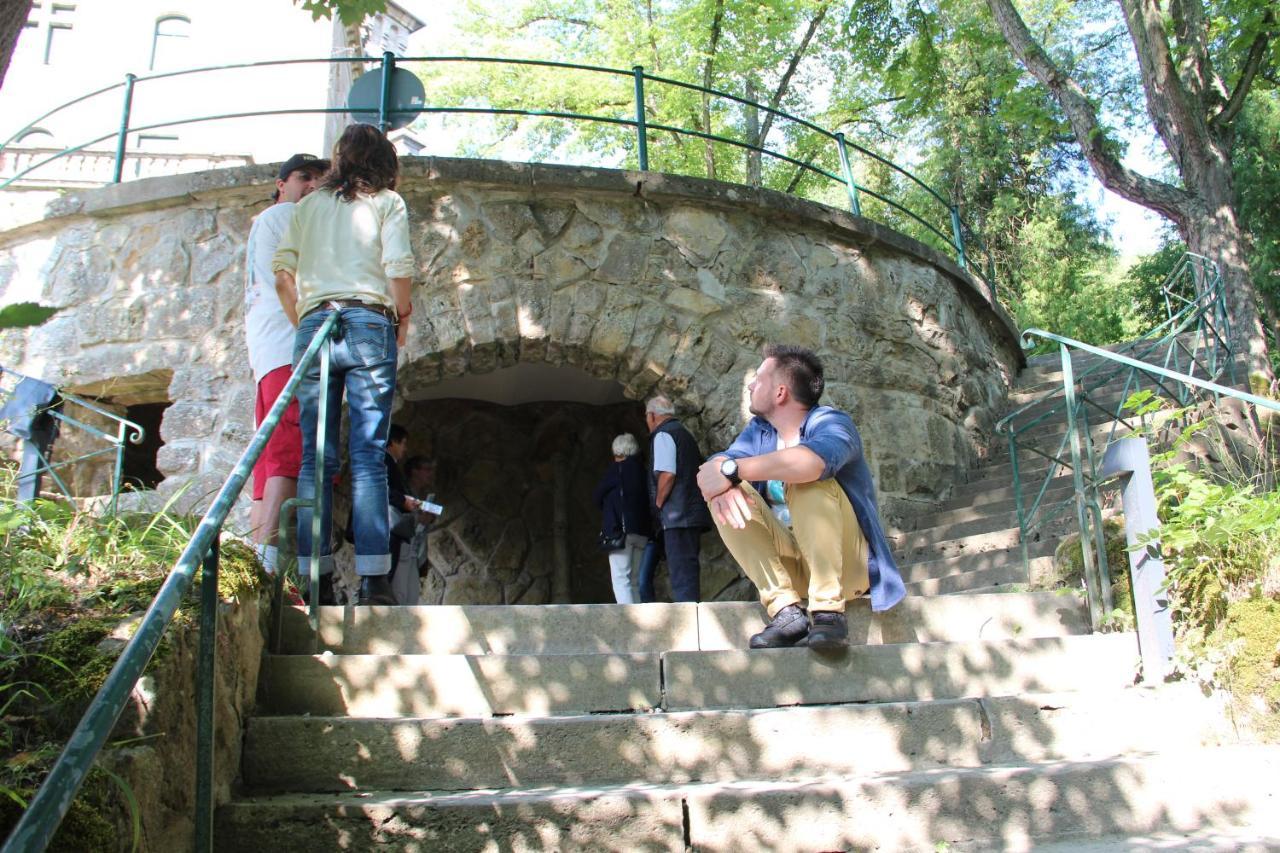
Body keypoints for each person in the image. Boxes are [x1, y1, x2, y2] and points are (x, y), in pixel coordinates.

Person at [273, 124, 415, 607]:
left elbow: (282, 276)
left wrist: (303, 323)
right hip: (368, 319)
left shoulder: (308, 205)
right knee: (369, 456)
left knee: (317, 458)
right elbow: (398, 268)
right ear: (385, 163)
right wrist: (404, 314)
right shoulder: (387, 203)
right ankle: (374, 582)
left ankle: (317, 578)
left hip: (315, 324)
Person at [697, 344, 905, 650]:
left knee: (806, 478)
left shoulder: (831, 423)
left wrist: (730, 470)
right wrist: (724, 480)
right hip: (795, 567)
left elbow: (811, 464)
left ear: (780, 392)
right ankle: (786, 612)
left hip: (846, 566)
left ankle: (828, 614)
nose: (751, 384)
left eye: (759, 378)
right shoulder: (760, 432)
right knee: (725, 492)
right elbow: (708, 474)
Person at [243, 153, 328, 579]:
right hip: (286, 344)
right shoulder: (285, 216)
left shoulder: (269, 220)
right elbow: (291, 278)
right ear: (282, 183)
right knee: (285, 453)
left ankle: (260, 558)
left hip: (267, 349)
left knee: (269, 454)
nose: (313, 186)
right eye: (304, 177)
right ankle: (268, 564)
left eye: (320, 180)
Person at [645, 395, 711, 602]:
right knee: (688, 569)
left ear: (652, 416)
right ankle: (692, 613)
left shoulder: (663, 435)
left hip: (678, 514)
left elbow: (667, 474)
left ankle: (688, 617)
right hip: (690, 511)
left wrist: (658, 503)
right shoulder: (684, 434)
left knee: (681, 572)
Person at [593, 433, 653, 604]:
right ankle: (639, 618)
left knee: (621, 580)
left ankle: (629, 624)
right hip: (642, 532)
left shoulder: (616, 470)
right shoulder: (643, 470)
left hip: (621, 532)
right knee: (634, 581)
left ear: (617, 452)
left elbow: (597, 496)